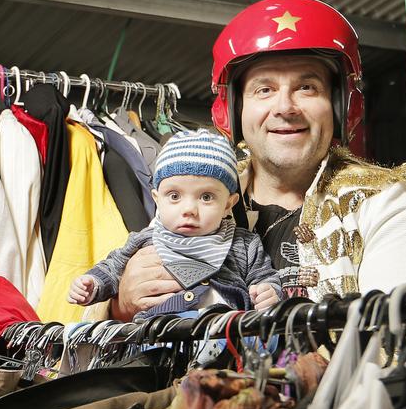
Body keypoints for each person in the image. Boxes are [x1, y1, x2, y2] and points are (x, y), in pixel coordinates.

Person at [111, 0, 406, 321]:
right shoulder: (196, 193)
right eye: (264, 89)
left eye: (307, 87)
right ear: (234, 110)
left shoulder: (390, 204)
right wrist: (119, 306)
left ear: (341, 106)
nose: (285, 108)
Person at [69, 130, 281, 320]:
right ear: (157, 199)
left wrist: (268, 291)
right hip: (156, 339)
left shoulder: (244, 244)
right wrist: (93, 284)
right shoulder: (145, 239)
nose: (189, 209)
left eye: (206, 197)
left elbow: (263, 276)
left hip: (224, 339)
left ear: (228, 204)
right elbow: (113, 268)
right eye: (174, 195)